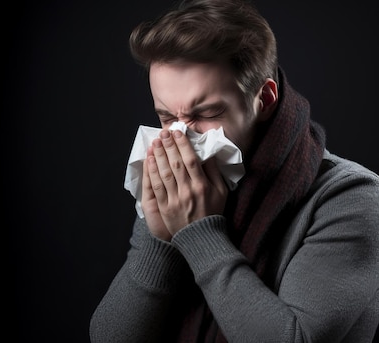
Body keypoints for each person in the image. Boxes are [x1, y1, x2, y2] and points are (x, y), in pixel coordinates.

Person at [89, 0, 379, 342]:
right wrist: (161, 239)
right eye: (166, 117)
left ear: (265, 99)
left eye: (207, 113)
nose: (181, 136)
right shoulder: (181, 184)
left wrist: (197, 232)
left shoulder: (351, 199)